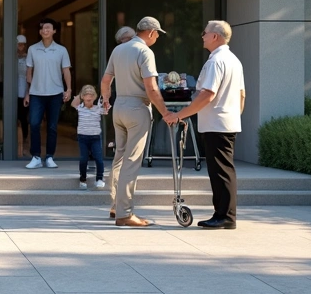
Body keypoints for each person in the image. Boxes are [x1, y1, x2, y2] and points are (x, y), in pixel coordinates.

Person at [163, 20, 245, 229]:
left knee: (220, 172)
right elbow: (241, 95)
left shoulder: (216, 62)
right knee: (223, 170)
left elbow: (207, 94)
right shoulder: (234, 60)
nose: (202, 36)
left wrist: (180, 115)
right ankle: (224, 214)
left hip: (216, 123)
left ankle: (225, 216)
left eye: (204, 32)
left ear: (215, 36)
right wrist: (233, 115)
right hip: (226, 121)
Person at [100, 16, 173, 227]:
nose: (158, 37)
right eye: (157, 33)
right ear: (150, 32)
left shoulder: (118, 50)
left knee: (120, 159)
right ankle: (125, 213)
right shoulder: (144, 52)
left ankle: (116, 206)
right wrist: (165, 112)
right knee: (132, 161)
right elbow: (151, 88)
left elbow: (106, 81)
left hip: (119, 106)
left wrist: (106, 100)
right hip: (137, 107)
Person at [24, 18, 72, 169]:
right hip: (36, 93)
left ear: (54, 31)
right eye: (43, 28)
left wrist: (69, 89)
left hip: (55, 93)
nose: (45, 30)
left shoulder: (61, 50)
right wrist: (27, 93)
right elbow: (29, 73)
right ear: (40, 32)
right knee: (34, 124)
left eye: (48, 28)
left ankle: (50, 156)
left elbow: (66, 71)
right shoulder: (32, 49)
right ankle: (36, 157)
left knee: (52, 126)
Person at [74, 84, 106, 189]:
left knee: (99, 159)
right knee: (83, 159)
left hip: (95, 137)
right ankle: (83, 179)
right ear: (83, 98)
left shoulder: (98, 108)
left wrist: (105, 100)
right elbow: (73, 103)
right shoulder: (79, 107)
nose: (89, 102)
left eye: (91, 100)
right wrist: (81, 94)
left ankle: (100, 178)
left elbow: (106, 109)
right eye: (87, 100)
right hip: (83, 137)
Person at [15, 35, 29, 143]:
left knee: (23, 115)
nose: (21, 46)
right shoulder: (11, 58)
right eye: (19, 44)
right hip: (13, 90)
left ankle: (24, 136)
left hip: (25, 90)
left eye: (22, 44)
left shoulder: (28, 57)